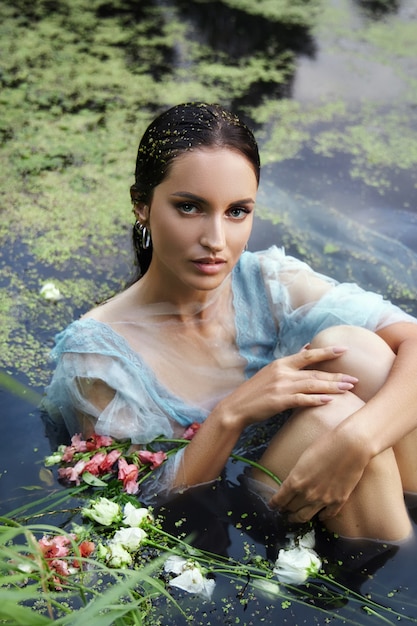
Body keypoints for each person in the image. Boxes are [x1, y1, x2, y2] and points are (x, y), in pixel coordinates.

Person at [45, 102, 417, 542]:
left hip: (330, 476)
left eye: (237, 211)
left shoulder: (267, 285)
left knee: (360, 352)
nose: (216, 241)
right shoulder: (98, 358)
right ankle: (400, 573)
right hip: (231, 516)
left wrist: (359, 440)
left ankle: (401, 515)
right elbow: (138, 507)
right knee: (332, 416)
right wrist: (233, 412)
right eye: (189, 207)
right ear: (141, 205)